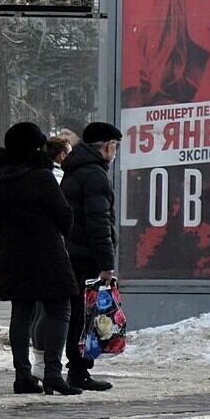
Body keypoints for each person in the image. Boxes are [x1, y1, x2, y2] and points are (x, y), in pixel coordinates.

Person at [0, 121, 80, 395]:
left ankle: (22, 376)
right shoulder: (41, 177)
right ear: (34, 147)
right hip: (46, 254)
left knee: (22, 313)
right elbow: (64, 217)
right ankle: (53, 373)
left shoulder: (0, 177)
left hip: (13, 253)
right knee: (60, 309)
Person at [60, 121, 121, 391]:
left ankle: (77, 368)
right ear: (107, 146)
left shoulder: (74, 170)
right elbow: (99, 223)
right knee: (85, 315)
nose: (115, 152)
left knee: (77, 313)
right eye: (115, 147)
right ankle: (79, 370)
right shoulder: (95, 175)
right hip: (87, 255)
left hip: (73, 251)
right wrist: (107, 264)